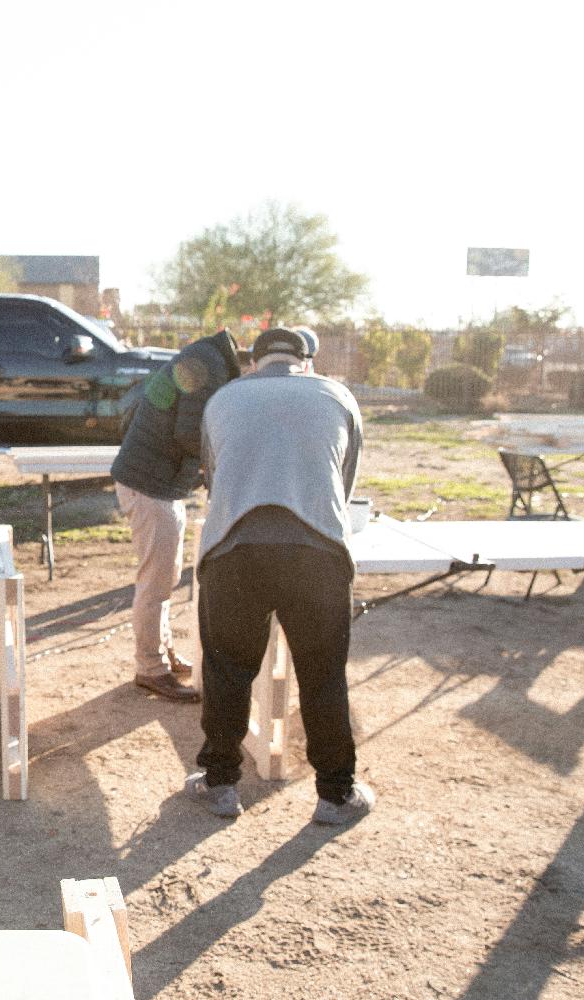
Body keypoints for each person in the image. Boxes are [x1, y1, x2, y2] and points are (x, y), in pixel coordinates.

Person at [186, 326, 374, 825]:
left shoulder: (224, 400)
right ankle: (336, 795)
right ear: (306, 361)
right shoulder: (338, 396)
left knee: (226, 671)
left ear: (254, 363)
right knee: (322, 674)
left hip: (234, 549)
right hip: (316, 552)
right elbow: (343, 480)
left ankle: (221, 783)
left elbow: (213, 476)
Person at [110, 328, 242, 702]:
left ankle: (161, 656)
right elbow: (189, 433)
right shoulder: (207, 366)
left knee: (164, 578)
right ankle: (149, 669)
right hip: (150, 484)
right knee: (155, 581)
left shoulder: (207, 359)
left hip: (158, 483)